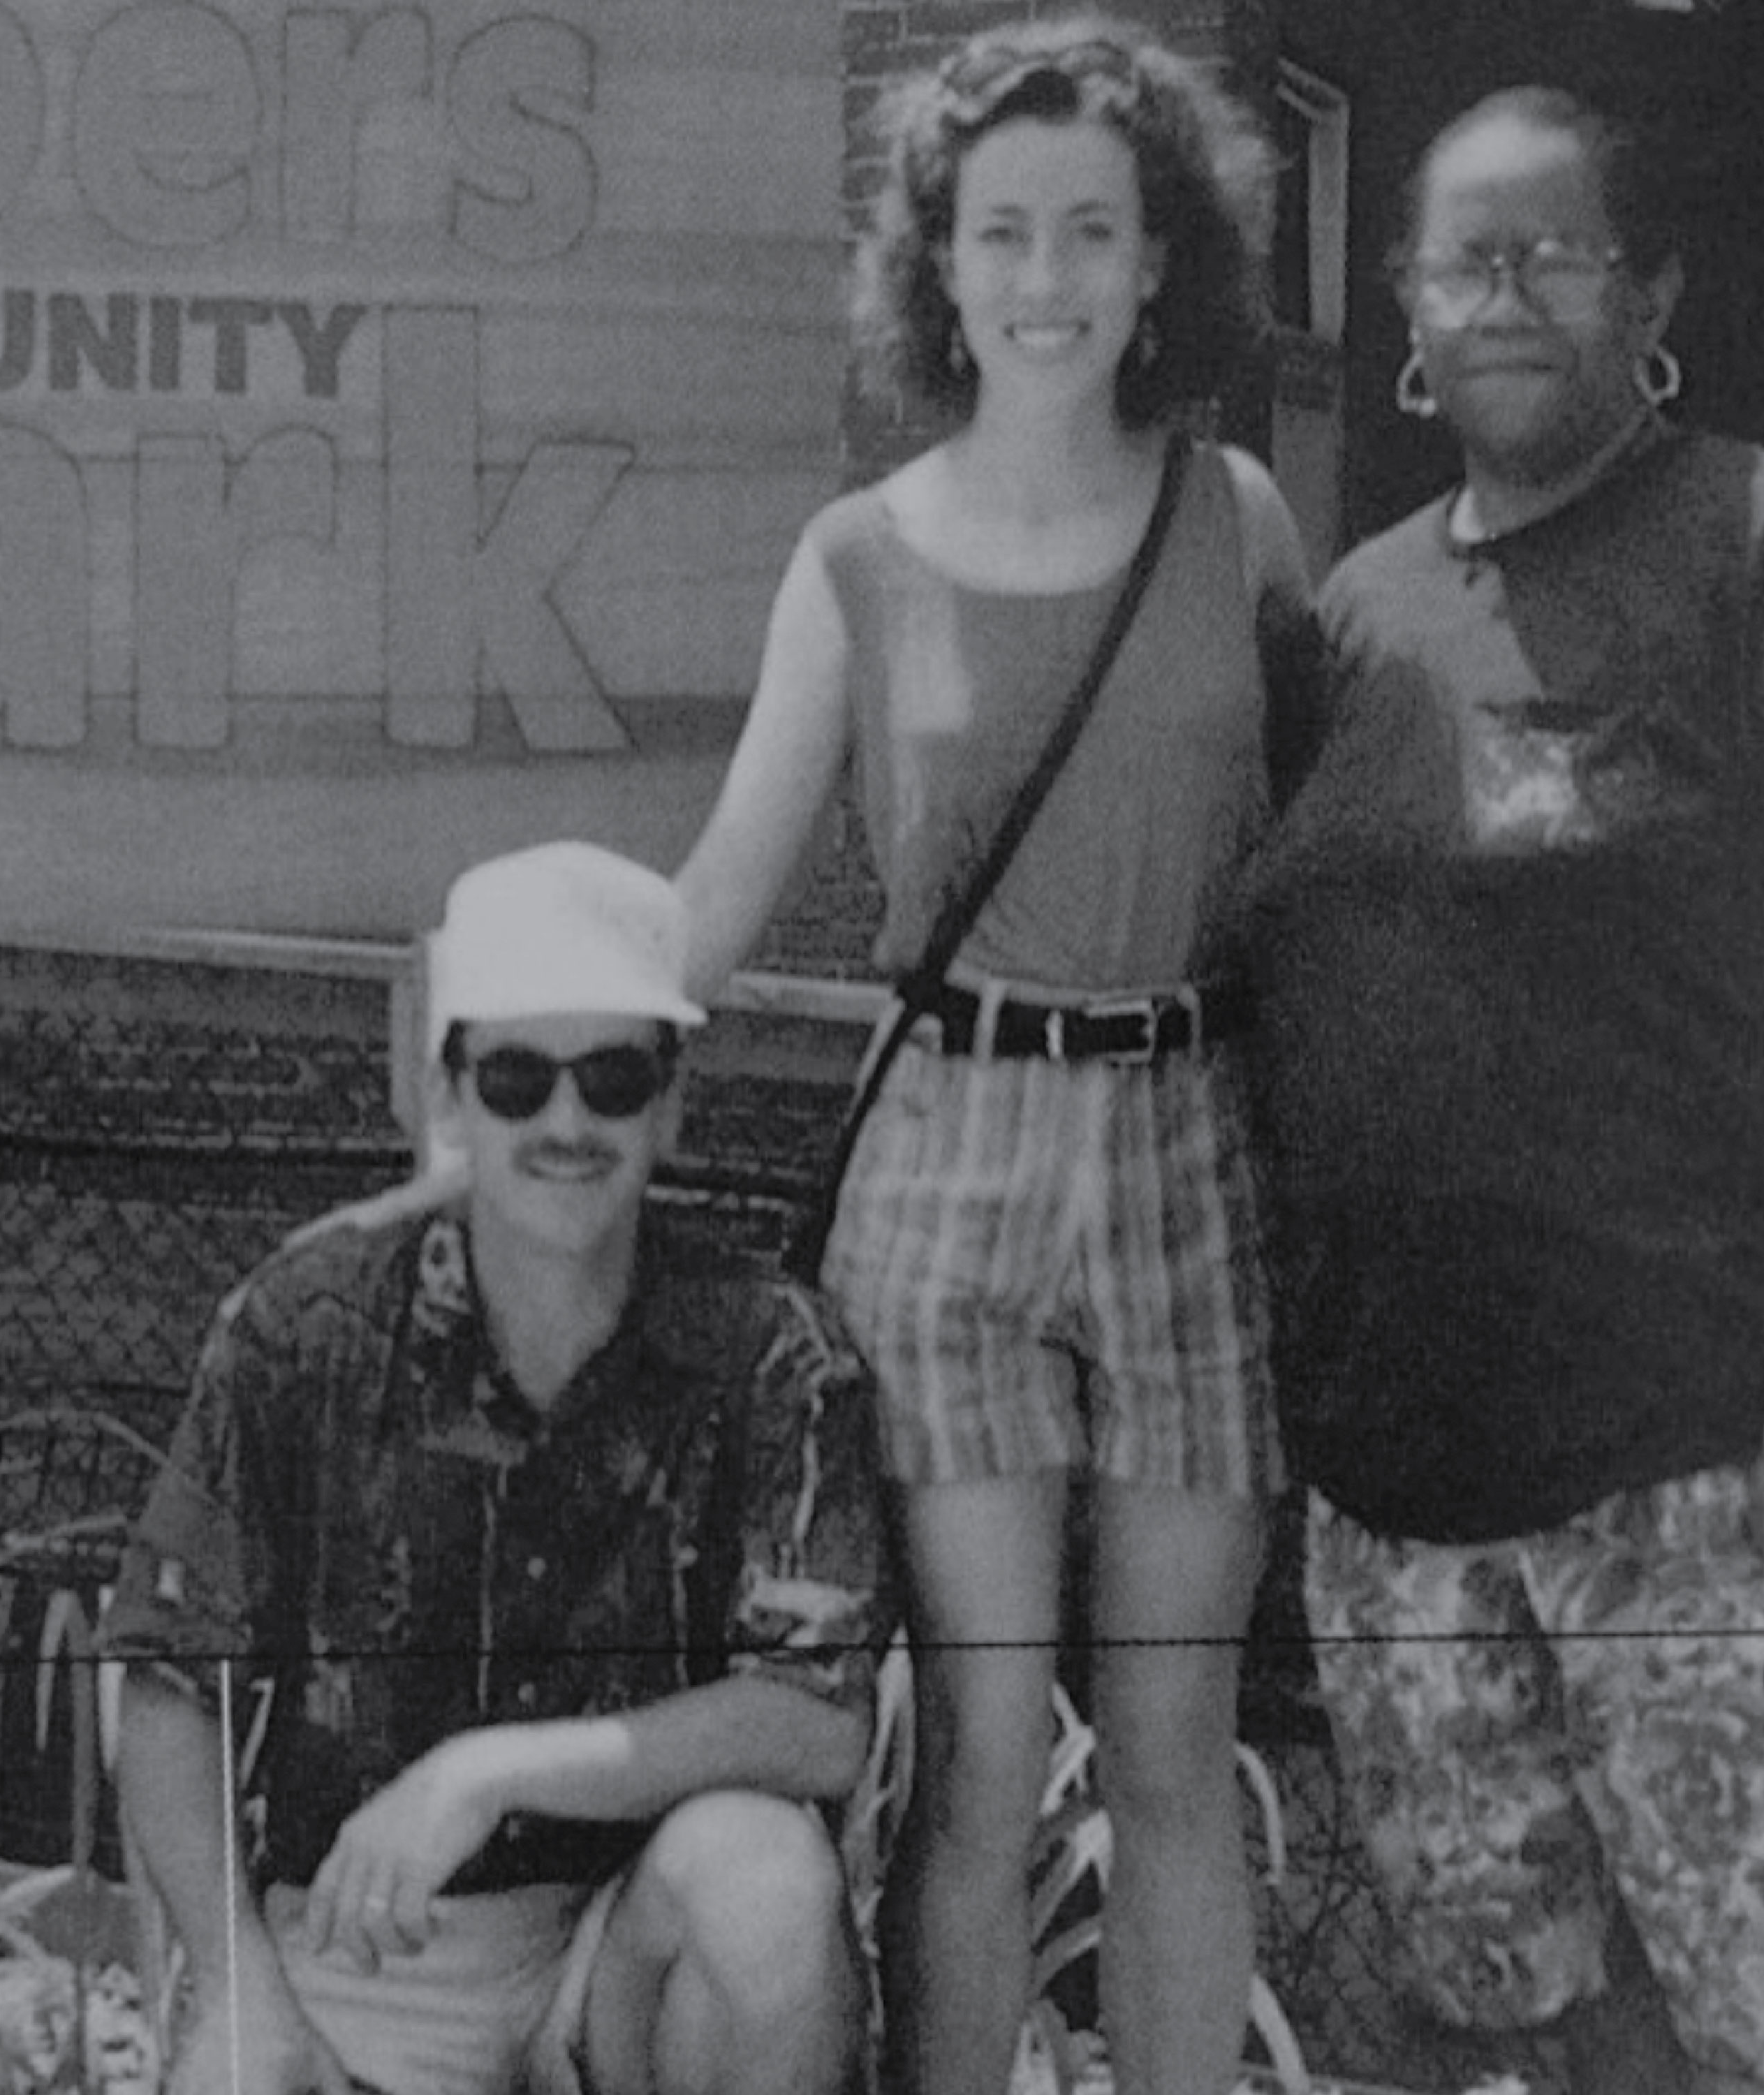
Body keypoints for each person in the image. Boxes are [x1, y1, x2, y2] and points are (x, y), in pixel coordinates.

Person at [673, 19, 1309, 2095]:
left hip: (1189, 1142)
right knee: (976, 1747)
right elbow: (717, 902)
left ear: (1159, 261)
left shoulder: (1237, 520)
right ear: (940, 265)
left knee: (1174, 1748)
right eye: (1004, 231)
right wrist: (503, 1024)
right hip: (947, 1160)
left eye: (1092, 231)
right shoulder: (858, 557)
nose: (1048, 277)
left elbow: (1331, 871)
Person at [1235, 86, 1764, 2094]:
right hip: (1402, 1504)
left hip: (1684, 1479)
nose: (1511, 294)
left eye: (1559, 252)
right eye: (1469, 258)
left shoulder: (1736, 541)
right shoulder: (1351, 613)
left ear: (1655, 294)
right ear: (1404, 302)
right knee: (1535, 2032)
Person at [101, 839, 891, 2095]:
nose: (567, 1124)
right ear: (451, 1095)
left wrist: (484, 1773)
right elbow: (168, 1678)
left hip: (620, 1954)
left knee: (763, 1880)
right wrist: (242, 1999)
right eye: (518, 1079)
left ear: (672, 1104)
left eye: (613, 1080)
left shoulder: (772, 1354)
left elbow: (816, 1719)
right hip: (367, 1944)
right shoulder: (307, 1327)